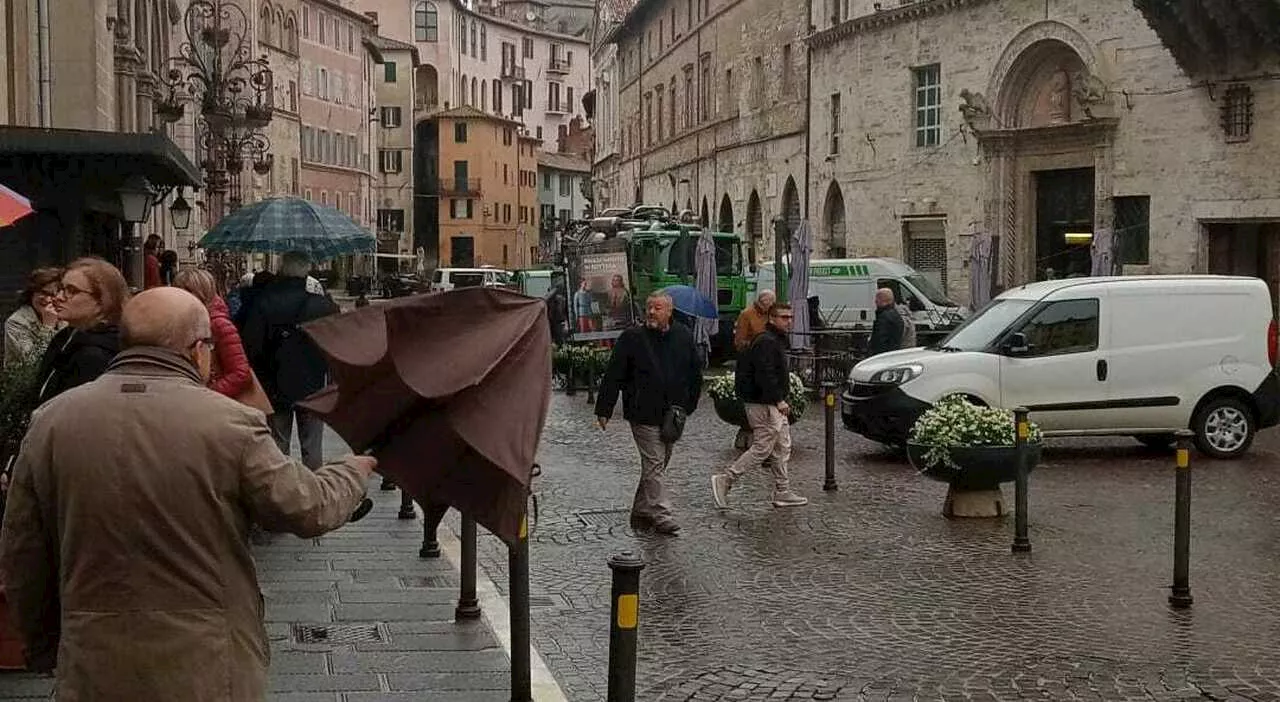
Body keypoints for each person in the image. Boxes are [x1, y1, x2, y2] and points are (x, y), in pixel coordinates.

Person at [0, 286, 376, 696]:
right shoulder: (229, 423)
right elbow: (306, 508)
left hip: (94, 658)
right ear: (199, 349)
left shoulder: (52, 421)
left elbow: (22, 552)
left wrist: (45, 647)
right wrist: (350, 471)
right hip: (206, 660)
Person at [595, 292, 702, 535]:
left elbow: (695, 371)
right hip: (642, 412)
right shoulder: (632, 338)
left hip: (672, 414)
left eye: (657, 308)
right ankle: (662, 514)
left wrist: (689, 404)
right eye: (649, 307)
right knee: (654, 463)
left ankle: (642, 509)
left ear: (669, 312)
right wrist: (605, 409)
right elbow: (614, 374)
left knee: (659, 463)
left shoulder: (682, 335)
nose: (652, 312)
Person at [241, 251, 341, 470]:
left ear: (282, 270)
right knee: (312, 446)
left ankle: (282, 495)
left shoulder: (264, 302)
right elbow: (336, 344)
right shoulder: (322, 305)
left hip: (275, 384)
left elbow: (252, 345)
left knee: (278, 445)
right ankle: (315, 495)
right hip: (314, 385)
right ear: (307, 272)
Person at [711, 303, 809, 509]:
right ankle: (727, 478)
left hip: (767, 401)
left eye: (790, 317)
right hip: (763, 403)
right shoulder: (766, 341)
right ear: (772, 318)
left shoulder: (773, 340)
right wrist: (778, 400)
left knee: (782, 445)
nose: (788, 321)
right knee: (763, 447)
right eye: (784, 317)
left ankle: (783, 490)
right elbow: (765, 374)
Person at [34, 257, 130, 403]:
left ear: (102, 301)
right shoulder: (65, 337)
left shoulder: (97, 355)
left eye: (71, 291)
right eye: (61, 289)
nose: (58, 297)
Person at [174, 268, 253, 400]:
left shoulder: (218, 324)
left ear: (200, 293)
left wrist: (208, 394)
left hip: (209, 401)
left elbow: (241, 373)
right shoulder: (179, 320)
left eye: (186, 291)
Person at [3, 267, 63, 368]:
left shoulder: (64, 316)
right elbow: (35, 363)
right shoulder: (16, 322)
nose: (48, 299)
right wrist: (48, 326)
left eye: (53, 294)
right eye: (44, 293)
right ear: (32, 293)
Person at [867, 287, 905, 357]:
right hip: (893, 353)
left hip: (882, 356)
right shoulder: (896, 315)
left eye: (877, 298)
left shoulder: (884, 317)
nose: (875, 301)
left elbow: (879, 340)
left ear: (884, 300)